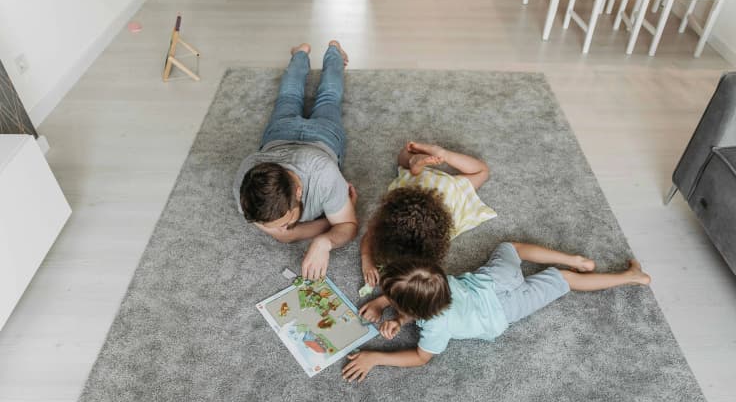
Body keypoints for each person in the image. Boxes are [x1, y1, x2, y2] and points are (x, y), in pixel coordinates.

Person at [342, 242, 651, 381]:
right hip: (491, 284)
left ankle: (630, 277)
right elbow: (413, 305)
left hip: (504, 310)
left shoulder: (436, 324)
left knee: (565, 281)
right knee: (511, 248)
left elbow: (421, 358)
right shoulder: (436, 281)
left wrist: (377, 356)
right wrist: (393, 314)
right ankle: (577, 259)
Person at [233, 41, 357, 280]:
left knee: (328, 98)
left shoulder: (324, 175)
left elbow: (349, 227)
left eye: (285, 221)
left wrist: (323, 241)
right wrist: (301, 232)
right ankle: (302, 54)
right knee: (288, 96)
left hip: (323, 137)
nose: (279, 230)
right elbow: (286, 235)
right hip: (280, 134)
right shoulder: (246, 189)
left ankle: (332, 52)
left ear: (298, 191)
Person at [360, 141, 496, 286]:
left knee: (482, 172)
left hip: (445, 189)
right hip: (415, 185)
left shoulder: (452, 199)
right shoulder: (403, 201)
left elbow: (369, 235)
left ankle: (417, 163)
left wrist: (366, 259)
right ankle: (422, 161)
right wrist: (366, 259)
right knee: (482, 171)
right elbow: (369, 235)